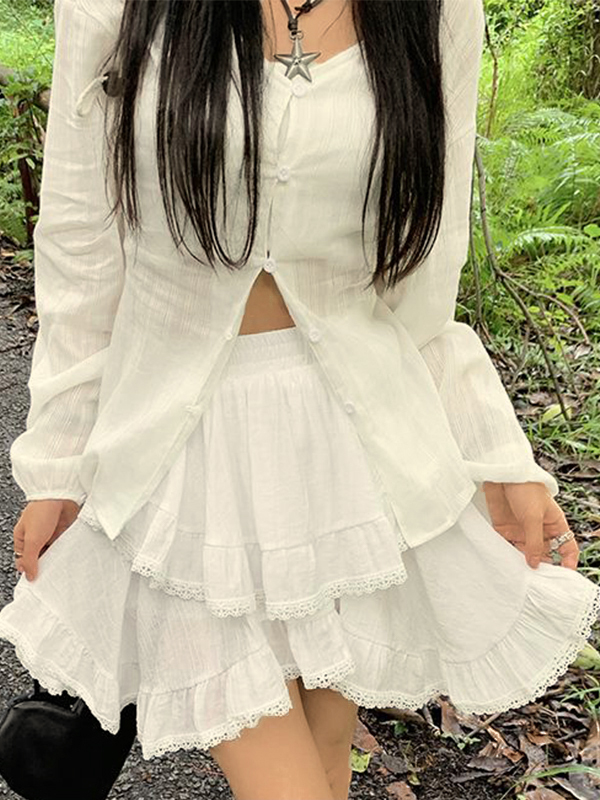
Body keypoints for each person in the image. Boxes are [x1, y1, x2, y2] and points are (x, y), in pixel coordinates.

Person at [1, 0, 599, 798]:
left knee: (324, 760)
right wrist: (59, 459)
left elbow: (424, 283)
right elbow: (80, 243)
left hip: (352, 445)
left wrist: (494, 454)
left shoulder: (436, 12)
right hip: (177, 453)